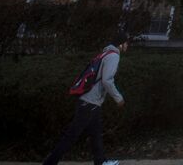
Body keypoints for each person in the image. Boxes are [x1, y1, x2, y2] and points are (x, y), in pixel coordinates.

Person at [43, 30, 129, 165]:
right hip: (90, 102)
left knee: (96, 135)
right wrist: (118, 98)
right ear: (121, 44)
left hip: (91, 101)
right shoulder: (113, 56)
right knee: (71, 136)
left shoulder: (104, 53)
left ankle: (100, 162)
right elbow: (107, 80)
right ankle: (49, 163)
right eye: (126, 43)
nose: (127, 45)